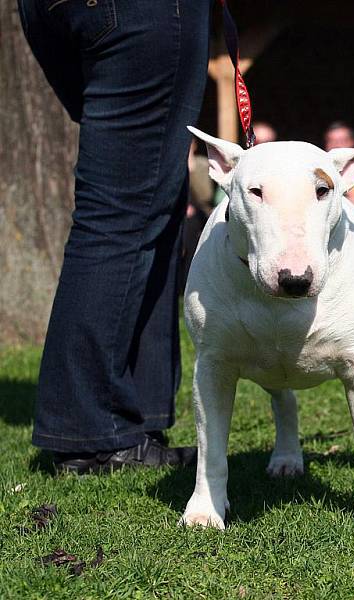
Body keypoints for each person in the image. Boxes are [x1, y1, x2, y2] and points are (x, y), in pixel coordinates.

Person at [18, 0, 210, 472]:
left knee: (151, 199)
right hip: (142, 12)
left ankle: (133, 415)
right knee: (124, 208)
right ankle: (92, 432)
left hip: (51, 11)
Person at [181, 139, 216, 293]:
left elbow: (204, 196)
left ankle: (188, 284)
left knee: (191, 224)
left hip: (201, 215)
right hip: (180, 214)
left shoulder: (202, 164)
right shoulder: (170, 166)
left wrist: (191, 170)